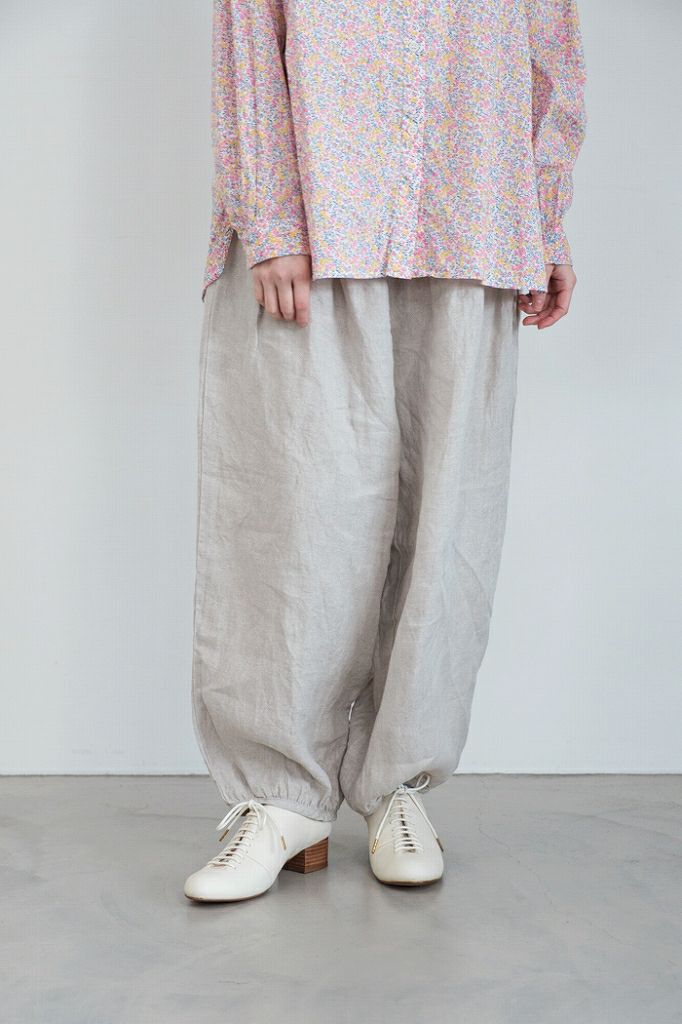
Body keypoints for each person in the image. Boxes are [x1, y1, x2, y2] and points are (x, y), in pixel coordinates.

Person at [184, 0, 587, 902]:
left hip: (475, 212)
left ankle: (399, 784)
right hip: (317, 220)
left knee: (449, 517)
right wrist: (272, 221)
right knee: (293, 512)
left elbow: (549, 52)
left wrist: (545, 220)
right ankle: (278, 797)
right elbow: (249, 39)